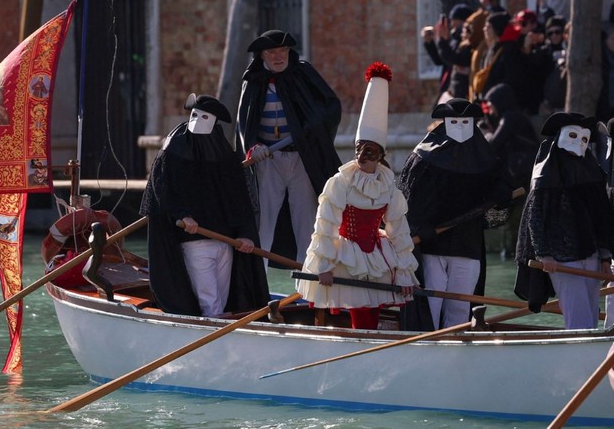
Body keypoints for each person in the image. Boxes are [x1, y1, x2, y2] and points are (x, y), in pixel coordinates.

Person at [296, 62, 419, 329]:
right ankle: (357, 342)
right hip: (345, 256)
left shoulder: (387, 185)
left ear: (381, 155)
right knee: (359, 309)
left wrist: (406, 273)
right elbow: (326, 224)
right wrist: (325, 266)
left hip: (376, 255)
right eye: (359, 149)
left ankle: (369, 341)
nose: (362, 156)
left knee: (371, 309)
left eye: (370, 151)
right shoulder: (340, 182)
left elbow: (398, 228)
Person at [140, 94, 269, 316]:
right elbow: (162, 189)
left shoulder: (224, 155)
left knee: (223, 299)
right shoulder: (174, 150)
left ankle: (225, 335)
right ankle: (217, 342)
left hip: (225, 241)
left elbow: (239, 199)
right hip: (194, 242)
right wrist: (182, 215)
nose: (198, 120)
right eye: (194, 114)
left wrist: (245, 234)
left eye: (204, 116)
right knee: (211, 301)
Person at [398, 98, 514, 330]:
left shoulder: (485, 157)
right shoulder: (424, 157)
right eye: (455, 121)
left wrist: (501, 192)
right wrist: (419, 228)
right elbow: (408, 200)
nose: (460, 126)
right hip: (432, 244)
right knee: (431, 303)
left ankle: (456, 349)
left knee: (460, 307)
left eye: (465, 121)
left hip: (466, 245)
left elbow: (499, 190)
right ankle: (428, 346)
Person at [236, 29, 342, 264]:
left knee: (306, 222)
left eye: (283, 50)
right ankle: (259, 284)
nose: (278, 56)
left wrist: (312, 127)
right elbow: (244, 122)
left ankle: (307, 285)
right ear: (262, 55)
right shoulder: (252, 81)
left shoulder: (303, 73)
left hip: (301, 158)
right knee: (264, 223)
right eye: (271, 52)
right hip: (267, 160)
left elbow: (331, 107)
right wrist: (253, 146)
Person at [514, 112, 614, 329]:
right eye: (573, 135)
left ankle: (589, 356)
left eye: (585, 139)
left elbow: (601, 216)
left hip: (592, 254)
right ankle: (580, 355)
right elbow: (535, 216)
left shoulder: (591, 171)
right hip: (561, 258)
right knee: (577, 314)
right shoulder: (546, 173)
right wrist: (544, 254)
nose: (579, 142)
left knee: (589, 310)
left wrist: (605, 257)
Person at [478, 83, 540, 258]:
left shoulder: (511, 117)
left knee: (516, 217)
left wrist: (485, 132)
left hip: (521, 177)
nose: (489, 109)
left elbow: (493, 144)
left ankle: (515, 251)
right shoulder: (515, 116)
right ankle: (514, 250)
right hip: (521, 175)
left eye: (491, 104)